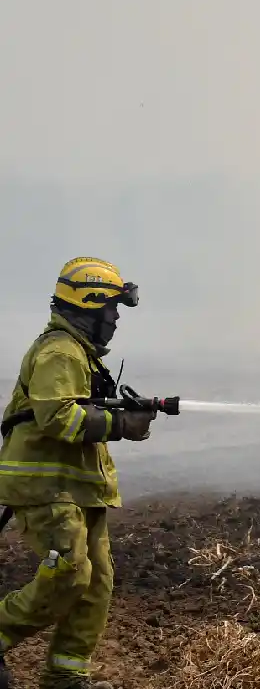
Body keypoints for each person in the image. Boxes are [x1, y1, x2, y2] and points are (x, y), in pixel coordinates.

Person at [0, 258, 156, 689]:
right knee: (69, 574)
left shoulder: (78, 354)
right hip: (47, 487)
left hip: (77, 489)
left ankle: (65, 678)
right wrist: (121, 425)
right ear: (91, 304)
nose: (116, 320)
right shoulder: (59, 351)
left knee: (96, 583)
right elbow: (58, 418)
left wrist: (120, 414)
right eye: (112, 310)